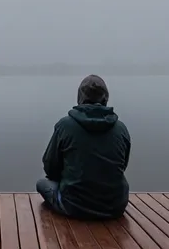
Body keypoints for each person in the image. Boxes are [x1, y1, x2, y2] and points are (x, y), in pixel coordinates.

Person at [36, 74, 131, 220]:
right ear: (105, 98)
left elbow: (50, 167)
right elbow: (122, 166)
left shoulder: (65, 126)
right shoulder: (121, 129)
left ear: (80, 98)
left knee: (42, 183)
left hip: (73, 206)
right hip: (114, 207)